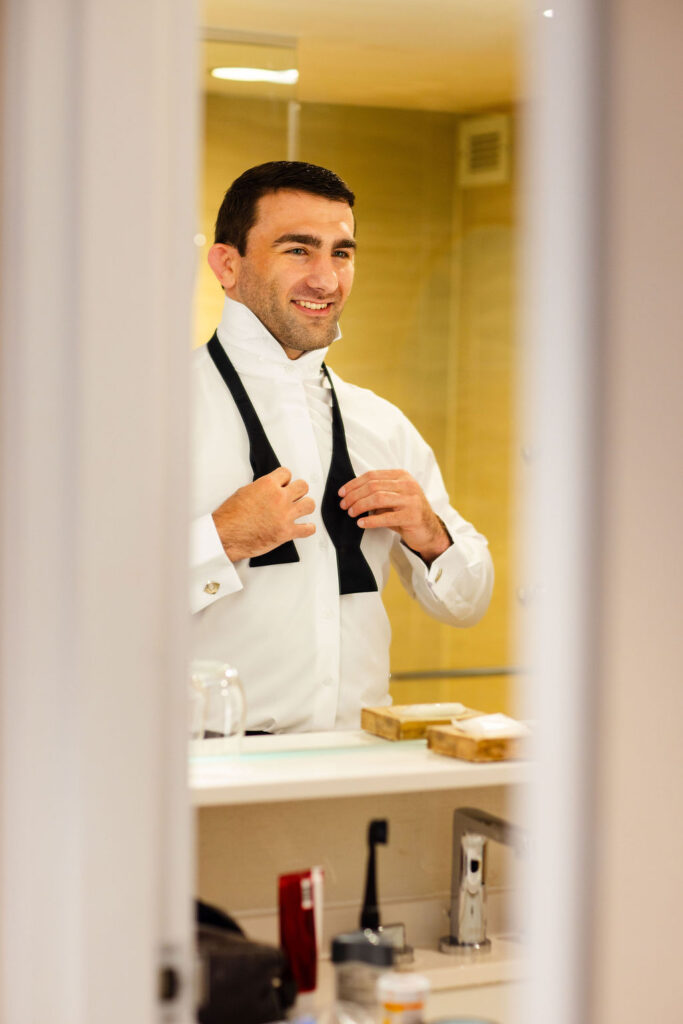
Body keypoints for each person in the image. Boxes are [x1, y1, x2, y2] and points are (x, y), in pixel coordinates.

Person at [190, 161, 494, 733]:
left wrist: (430, 533)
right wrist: (221, 538)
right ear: (227, 265)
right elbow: (82, 603)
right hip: (204, 772)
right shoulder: (152, 417)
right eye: (298, 251)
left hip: (357, 762)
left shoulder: (380, 423)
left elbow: (467, 603)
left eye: (342, 253)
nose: (326, 280)